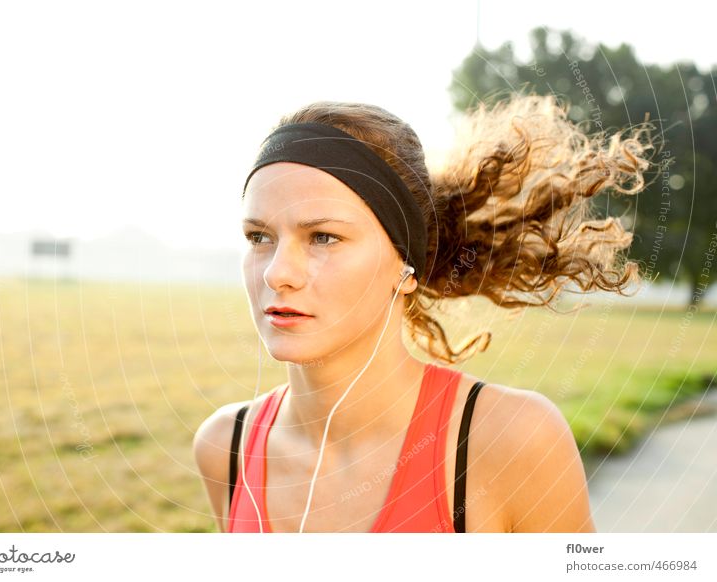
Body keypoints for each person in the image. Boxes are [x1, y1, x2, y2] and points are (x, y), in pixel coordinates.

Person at [193, 94, 655, 533]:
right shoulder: (224, 449)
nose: (277, 273)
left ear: (406, 264)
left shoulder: (507, 441)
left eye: (323, 237)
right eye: (259, 237)